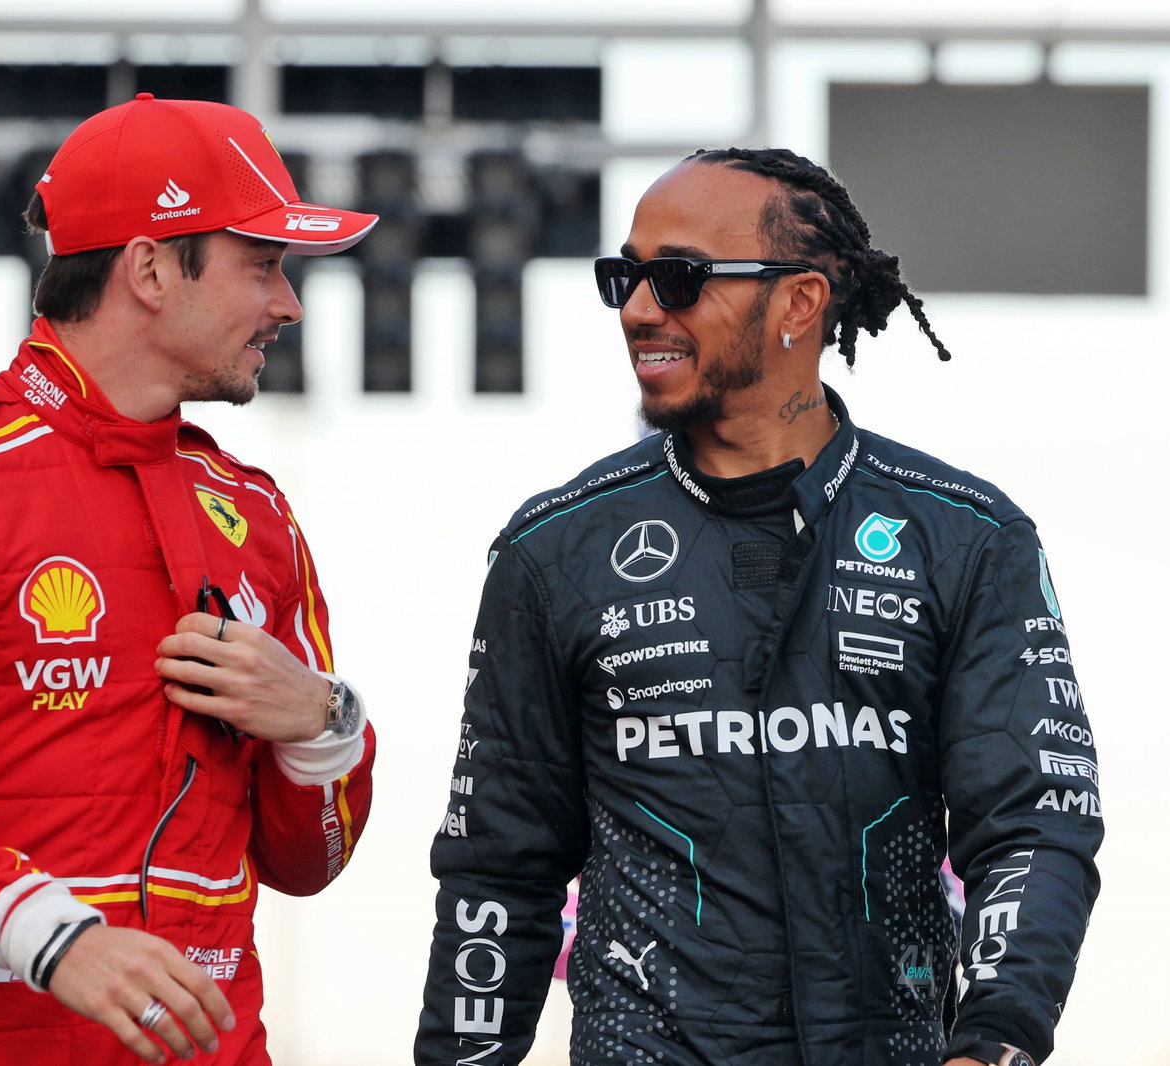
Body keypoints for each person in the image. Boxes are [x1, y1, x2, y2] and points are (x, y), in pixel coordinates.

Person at [416, 148, 1101, 1066]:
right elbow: (497, 872)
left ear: (800, 304)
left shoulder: (967, 538)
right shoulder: (553, 551)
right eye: (624, 276)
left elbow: (1034, 824)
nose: (639, 309)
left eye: (679, 277)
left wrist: (995, 1042)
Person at [0, 94, 378, 1066]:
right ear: (147, 267)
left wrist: (324, 723)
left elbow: (308, 862)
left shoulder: (256, 511)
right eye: (262, 266)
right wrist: (53, 936)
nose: (289, 303)